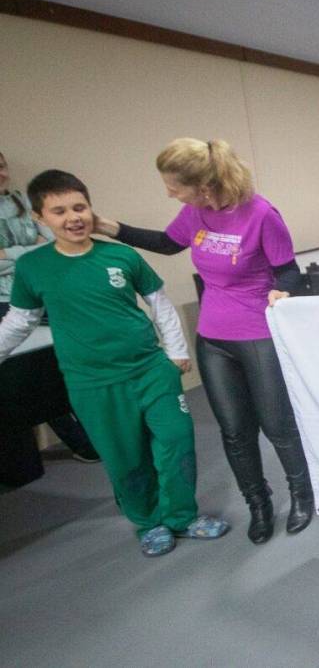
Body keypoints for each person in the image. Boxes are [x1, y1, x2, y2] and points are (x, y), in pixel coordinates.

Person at [92, 138, 314, 545]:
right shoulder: (195, 212)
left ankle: (302, 494)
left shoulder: (261, 214)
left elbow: (289, 271)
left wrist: (282, 290)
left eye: (174, 186)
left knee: (277, 425)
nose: (169, 193)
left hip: (257, 334)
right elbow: (167, 243)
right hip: (213, 338)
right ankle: (258, 504)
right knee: (234, 432)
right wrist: (112, 228)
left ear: (204, 185)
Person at [0, 170, 229, 556]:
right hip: (93, 383)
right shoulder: (34, 267)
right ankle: (149, 523)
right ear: (39, 217)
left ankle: (182, 517)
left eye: (79, 207)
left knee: (175, 442)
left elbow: (158, 303)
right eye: (59, 211)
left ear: (90, 208)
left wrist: (176, 353)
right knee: (125, 458)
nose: (73, 218)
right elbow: (20, 321)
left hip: (151, 370)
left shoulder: (120, 255)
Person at [1, 150, 100, 463]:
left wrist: (8, 254)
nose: (0, 173)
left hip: (46, 292)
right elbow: (38, 250)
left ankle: (99, 435)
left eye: (1, 166)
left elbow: (55, 244)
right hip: (6, 302)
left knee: (73, 362)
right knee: (37, 378)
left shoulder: (23, 202)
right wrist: (29, 251)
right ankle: (81, 443)